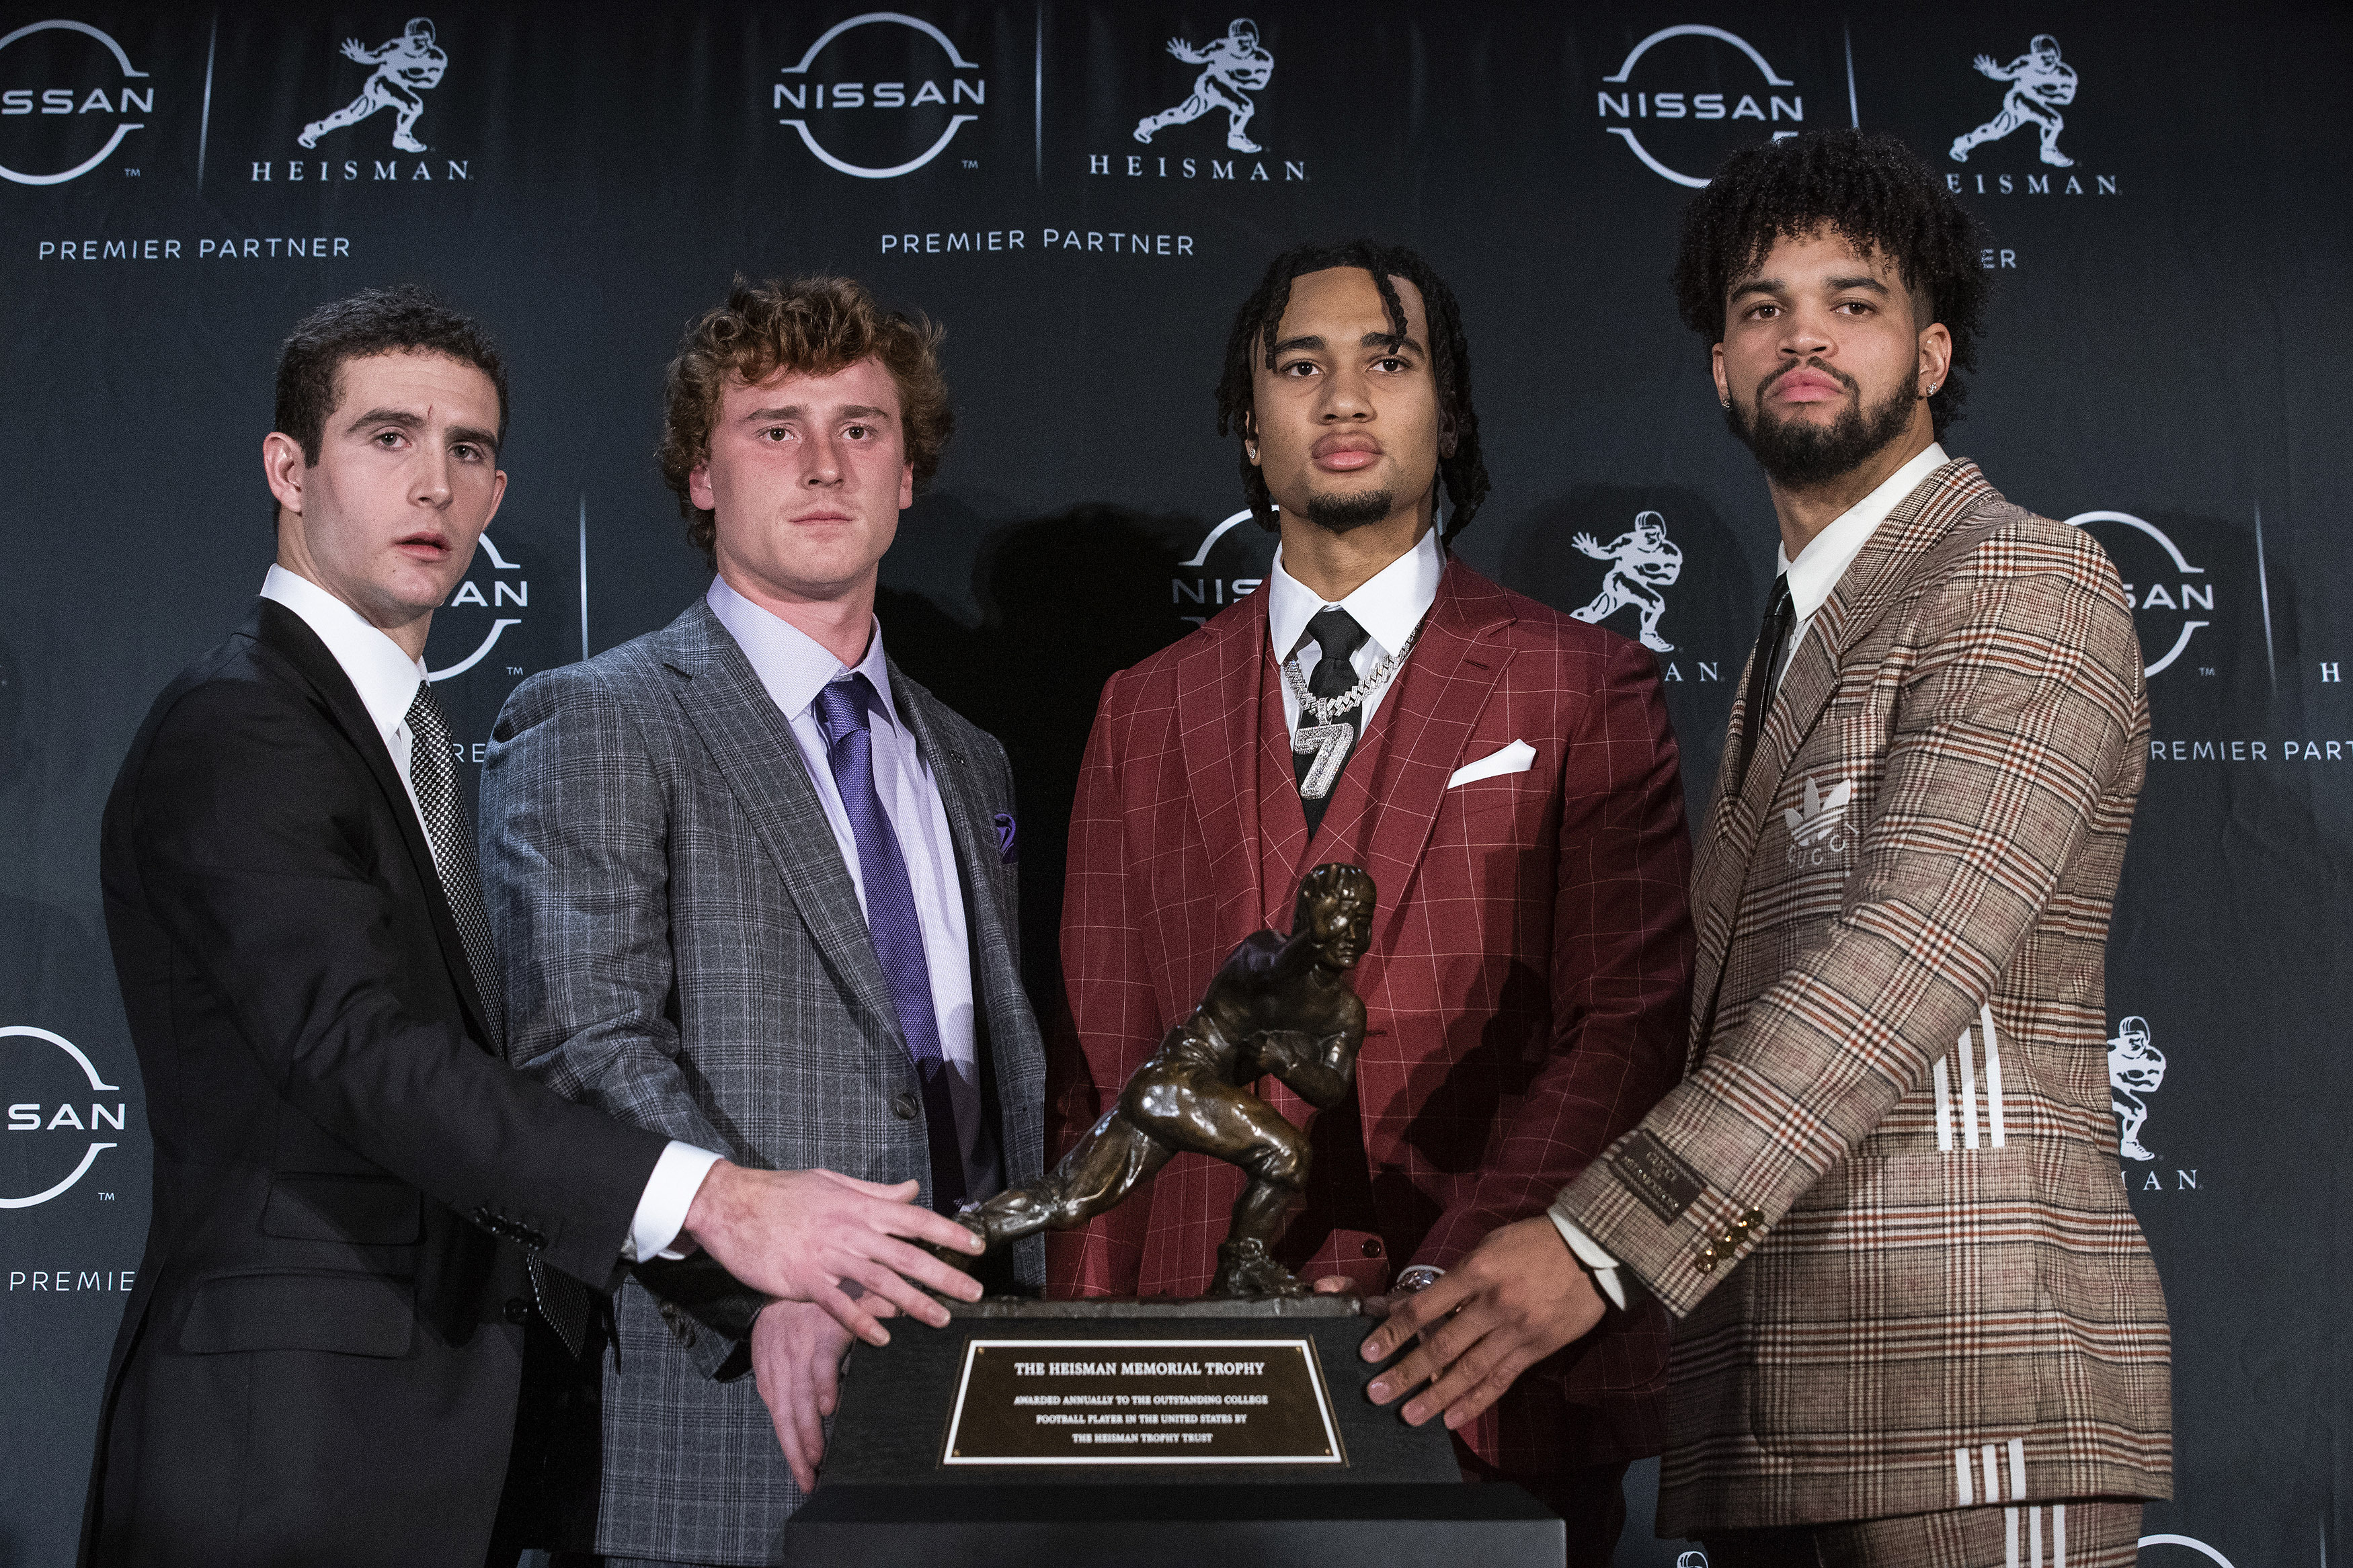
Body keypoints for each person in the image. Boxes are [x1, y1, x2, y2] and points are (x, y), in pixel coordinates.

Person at [81, 286, 984, 1568]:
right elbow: (359, 1048)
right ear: (289, 467)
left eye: (468, 451)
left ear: (500, 495)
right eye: (387, 439)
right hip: (281, 1446)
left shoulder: (409, 740)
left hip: (444, 1444)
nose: (434, 487)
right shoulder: (241, 723)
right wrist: (719, 1202)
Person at [1367, 130, 2171, 1565]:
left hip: (1967, 1406)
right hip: (1771, 1415)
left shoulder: (2019, 575)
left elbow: (1900, 961)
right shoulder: (1783, 649)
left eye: (1850, 301)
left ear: (1929, 354)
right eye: (1760, 307)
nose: (1801, 329)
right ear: (1722, 373)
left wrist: (1597, 1238)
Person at [1049, 239, 1696, 1564]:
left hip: (1485, 1374)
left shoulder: (1585, 684)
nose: (1342, 399)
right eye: (1301, 365)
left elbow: (1626, 1021)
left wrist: (1451, 1270)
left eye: (1384, 361)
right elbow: (1102, 1060)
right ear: (1249, 420)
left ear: (1446, 410)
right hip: (1195, 1386)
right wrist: (1091, 1375)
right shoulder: (1140, 706)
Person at [479, 275, 1047, 1567]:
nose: (824, 462)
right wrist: (760, 1287)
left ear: (909, 475)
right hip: (729, 1410)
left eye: (861, 427)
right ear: (699, 475)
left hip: (977, 1405)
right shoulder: (603, 716)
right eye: (773, 427)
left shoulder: (970, 758)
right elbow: (581, 1045)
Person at [957, 864, 1375, 1296]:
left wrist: (1289, 1065)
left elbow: (1331, 1088)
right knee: (1287, 1154)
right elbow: (1279, 968)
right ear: (1311, 915)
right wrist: (1314, 938)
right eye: (1339, 916)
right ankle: (1241, 1262)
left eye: (1362, 923)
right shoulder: (1262, 953)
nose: (1349, 933)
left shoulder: (1345, 1013)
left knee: (1067, 1200)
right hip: (1173, 1082)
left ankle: (957, 1238)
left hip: (1177, 1099)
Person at [300, 18, 447, 153]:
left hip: (400, 89)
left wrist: (406, 78)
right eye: (417, 38)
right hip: (380, 85)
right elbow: (374, 57)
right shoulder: (396, 46)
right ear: (408, 37)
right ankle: (401, 137)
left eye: (426, 39)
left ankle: (315, 130)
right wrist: (360, 56)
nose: (423, 43)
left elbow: (431, 82)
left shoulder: (436, 57)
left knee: (350, 115)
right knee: (413, 105)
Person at [1133, 18, 1275, 153]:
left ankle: (1149, 124)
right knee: (1245, 107)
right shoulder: (1220, 47)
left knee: (1183, 115)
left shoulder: (1263, 59)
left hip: (1229, 89)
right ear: (1231, 40)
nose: (1245, 45)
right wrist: (1186, 56)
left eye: (1249, 40)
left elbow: (1260, 83)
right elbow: (1200, 57)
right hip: (1210, 84)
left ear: (1255, 40)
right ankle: (1236, 138)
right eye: (1240, 40)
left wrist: (1235, 78)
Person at [1949, 34, 2079, 168]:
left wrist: (2043, 93)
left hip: (2038, 104)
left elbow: (2067, 98)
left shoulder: (2066, 75)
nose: (2049, 60)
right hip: (2019, 100)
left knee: (1995, 131)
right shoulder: (2025, 64)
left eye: (2052, 56)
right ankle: (2047, 151)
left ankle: (1964, 143)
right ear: (2035, 55)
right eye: (2044, 56)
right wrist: (1991, 72)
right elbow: (2005, 74)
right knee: (2054, 121)